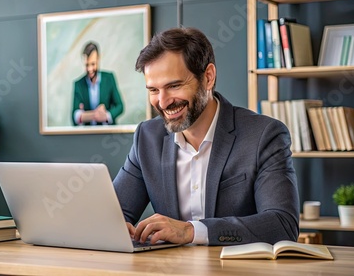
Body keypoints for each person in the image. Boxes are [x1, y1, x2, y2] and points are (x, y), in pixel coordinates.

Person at [113, 27, 300, 246]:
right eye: (153, 90)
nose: (162, 102)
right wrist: (111, 226)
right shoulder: (147, 138)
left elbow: (282, 224)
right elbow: (113, 214)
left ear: (208, 77)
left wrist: (192, 231)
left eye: (174, 86)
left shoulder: (263, 136)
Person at [72, 42, 124, 125]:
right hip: (87, 134)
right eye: (86, 65)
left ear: (98, 59)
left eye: (93, 64)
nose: (90, 69)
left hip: (107, 133)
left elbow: (120, 106)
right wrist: (95, 114)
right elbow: (74, 116)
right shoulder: (78, 84)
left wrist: (107, 115)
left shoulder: (109, 78)